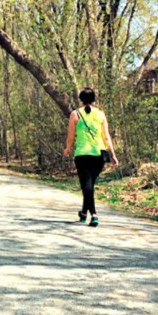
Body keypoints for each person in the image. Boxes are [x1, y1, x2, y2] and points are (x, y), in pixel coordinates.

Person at [63, 88, 118, 227]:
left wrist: (68, 148)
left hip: (82, 154)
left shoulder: (75, 114)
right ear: (94, 99)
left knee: (87, 185)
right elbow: (106, 136)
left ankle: (93, 214)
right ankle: (83, 212)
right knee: (89, 185)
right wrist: (113, 154)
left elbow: (71, 136)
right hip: (98, 154)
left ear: (81, 99)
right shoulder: (100, 114)